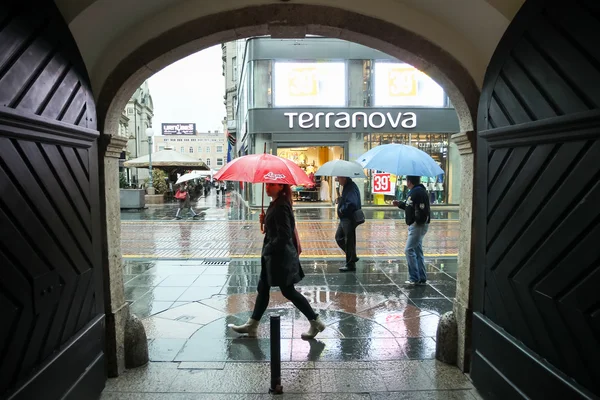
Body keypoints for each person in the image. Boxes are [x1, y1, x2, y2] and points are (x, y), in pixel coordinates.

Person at [229, 183, 325, 339]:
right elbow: (275, 229)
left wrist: (269, 248)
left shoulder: (281, 205)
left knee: (288, 291)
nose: (267, 187)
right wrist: (265, 221)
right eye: (267, 184)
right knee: (263, 288)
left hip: (279, 258)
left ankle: (315, 321)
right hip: (274, 256)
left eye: (271, 185)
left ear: (281, 186)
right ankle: (252, 325)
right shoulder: (276, 203)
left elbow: (284, 234)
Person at [393, 175, 431, 285]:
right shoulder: (415, 191)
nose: (406, 183)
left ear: (409, 181)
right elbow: (410, 206)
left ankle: (414, 278)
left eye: (406, 181)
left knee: (408, 250)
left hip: (417, 225)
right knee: (417, 250)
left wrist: (417, 222)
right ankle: (421, 277)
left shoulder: (418, 192)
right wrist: (399, 204)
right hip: (416, 224)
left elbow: (422, 209)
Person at [335, 176, 361, 272]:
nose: (338, 179)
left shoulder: (351, 187)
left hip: (348, 218)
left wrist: (342, 209)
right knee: (339, 238)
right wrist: (340, 200)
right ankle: (352, 257)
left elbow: (352, 203)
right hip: (345, 218)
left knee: (348, 240)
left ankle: (350, 263)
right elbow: (348, 200)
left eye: (339, 177)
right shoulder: (347, 187)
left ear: (344, 178)